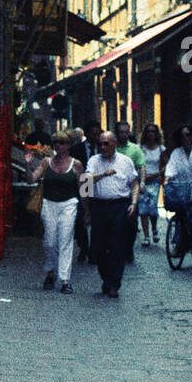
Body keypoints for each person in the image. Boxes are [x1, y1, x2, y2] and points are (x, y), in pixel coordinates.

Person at [27, 130, 84, 292]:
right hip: (49, 204)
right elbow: (31, 179)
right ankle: (50, 272)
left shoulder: (77, 164)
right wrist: (27, 164)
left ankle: (65, 280)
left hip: (69, 204)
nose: (58, 145)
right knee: (49, 241)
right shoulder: (46, 162)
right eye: (55, 142)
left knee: (65, 240)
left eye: (61, 142)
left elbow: (85, 188)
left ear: (69, 145)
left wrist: (87, 210)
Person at [85, 131, 139, 298]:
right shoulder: (94, 161)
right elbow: (85, 184)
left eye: (106, 143)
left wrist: (134, 203)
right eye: (100, 144)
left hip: (119, 206)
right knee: (99, 248)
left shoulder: (125, 161)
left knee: (117, 247)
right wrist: (103, 174)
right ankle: (106, 279)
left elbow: (134, 183)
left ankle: (114, 284)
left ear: (114, 144)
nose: (103, 147)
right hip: (99, 206)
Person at [162, 125, 192, 238]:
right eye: (182, 136)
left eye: (187, 135)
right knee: (180, 211)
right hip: (181, 187)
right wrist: (167, 180)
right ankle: (179, 243)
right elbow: (171, 168)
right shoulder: (177, 152)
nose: (185, 138)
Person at [71, 121, 103, 263]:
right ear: (87, 134)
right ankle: (83, 246)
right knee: (80, 218)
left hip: (98, 185)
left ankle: (93, 250)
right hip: (83, 183)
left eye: (98, 134)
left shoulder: (103, 148)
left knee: (97, 218)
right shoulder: (76, 149)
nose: (95, 137)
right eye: (93, 133)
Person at [116, 121, 146, 262]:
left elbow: (142, 166)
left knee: (132, 225)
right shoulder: (111, 147)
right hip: (115, 192)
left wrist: (143, 183)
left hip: (130, 192)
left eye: (126, 132)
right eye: (121, 132)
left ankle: (128, 248)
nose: (124, 135)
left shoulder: (135, 149)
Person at [137, 123, 165, 247]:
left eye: (153, 131)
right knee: (143, 208)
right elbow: (137, 163)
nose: (151, 134)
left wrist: (158, 173)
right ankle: (146, 236)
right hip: (142, 181)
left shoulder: (161, 149)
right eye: (148, 131)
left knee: (152, 208)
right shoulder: (140, 148)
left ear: (157, 134)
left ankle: (154, 228)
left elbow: (166, 164)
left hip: (154, 181)